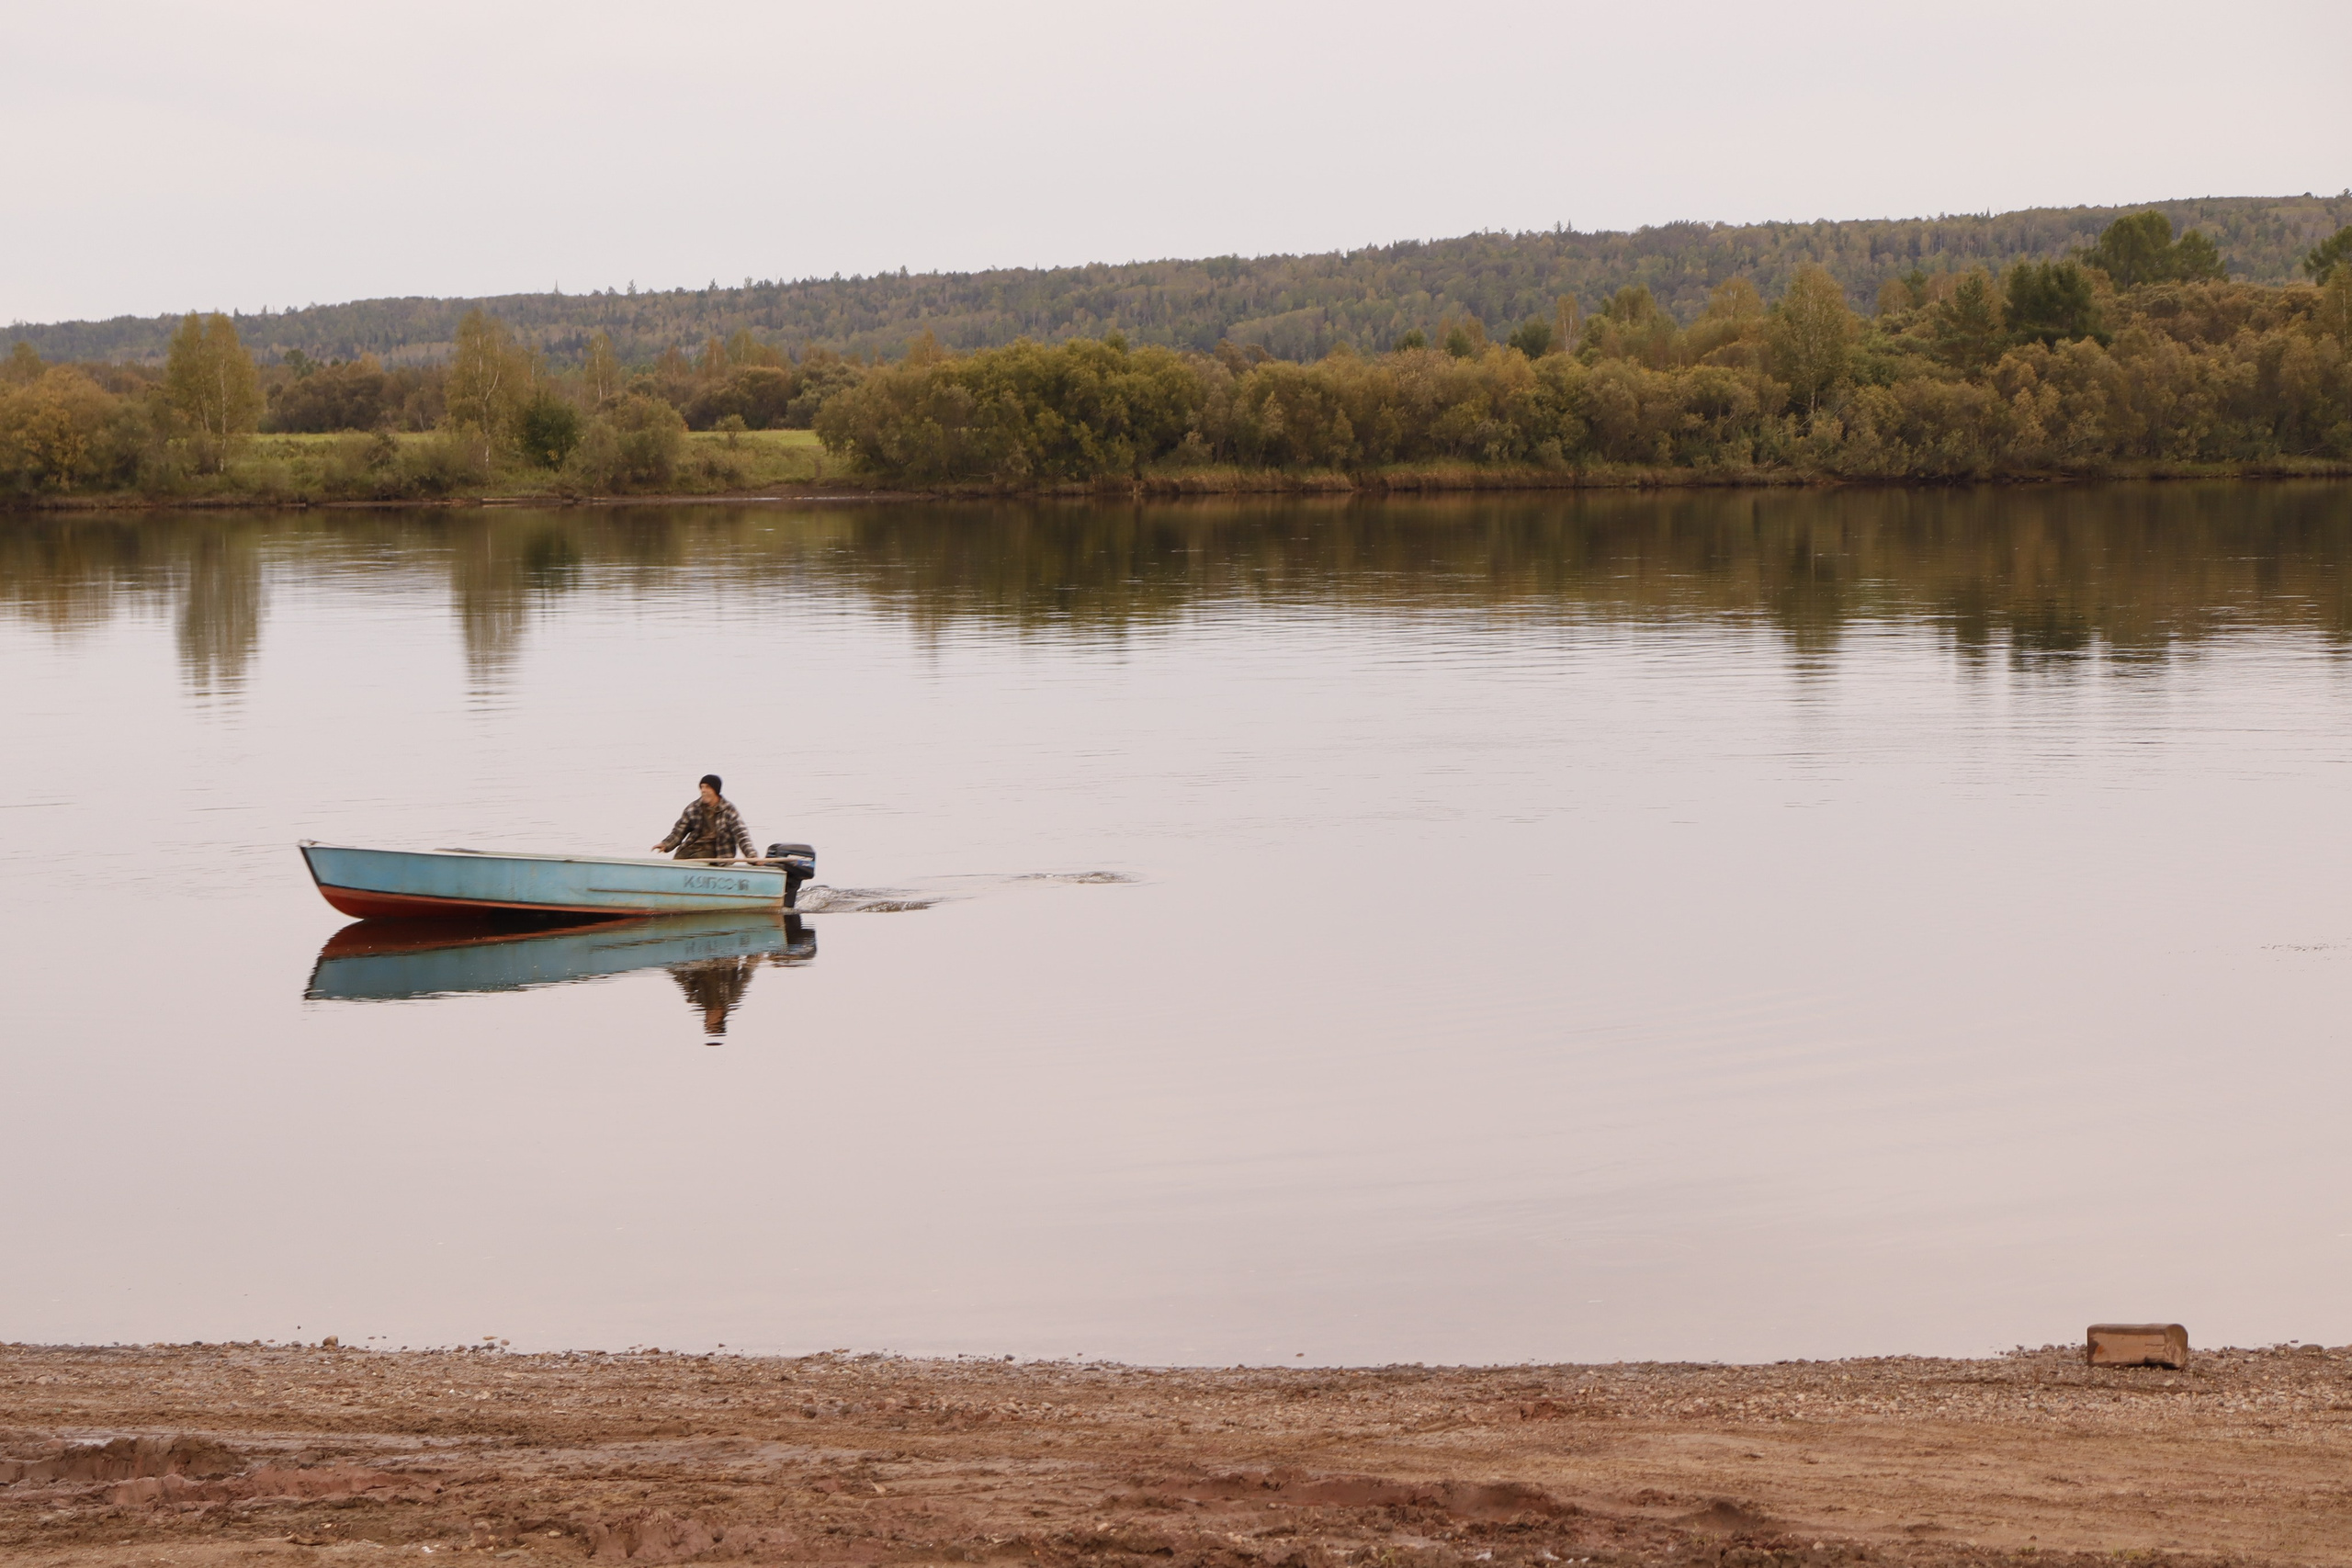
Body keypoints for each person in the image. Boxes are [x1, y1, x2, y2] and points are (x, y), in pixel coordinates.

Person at [652, 773, 759, 863]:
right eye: (702, 787)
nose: (703, 790)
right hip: (692, 848)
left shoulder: (729, 810)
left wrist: (752, 856)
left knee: (698, 858)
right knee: (679, 858)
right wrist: (665, 844)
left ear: (715, 790)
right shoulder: (693, 808)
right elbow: (679, 831)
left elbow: (742, 835)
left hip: (717, 852)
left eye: (707, 787)